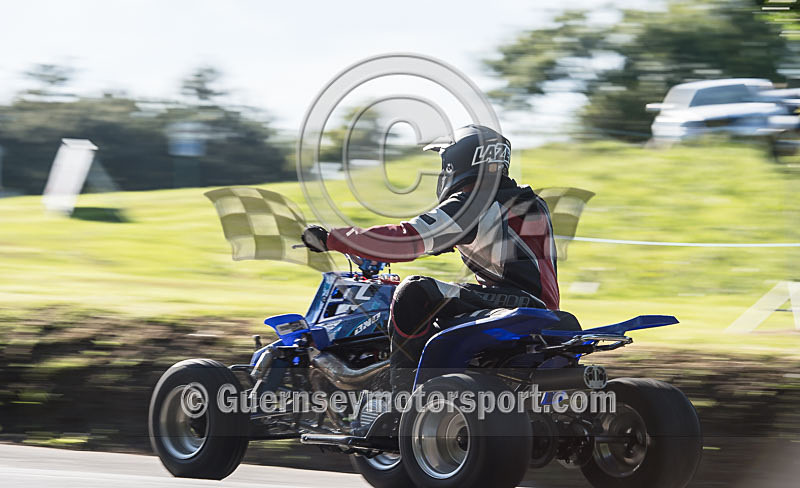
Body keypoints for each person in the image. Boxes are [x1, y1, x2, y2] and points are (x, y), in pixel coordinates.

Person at [302, 124, 572, 392]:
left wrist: (335, 239)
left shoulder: (474, 204)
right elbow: (473, 239)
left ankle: (400, 397)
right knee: (444, 298)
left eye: (445, 162)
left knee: (413, 290)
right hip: (541, 307)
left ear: (461, 160)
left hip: (515, 302)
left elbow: (408, 237)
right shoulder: (526, 201)